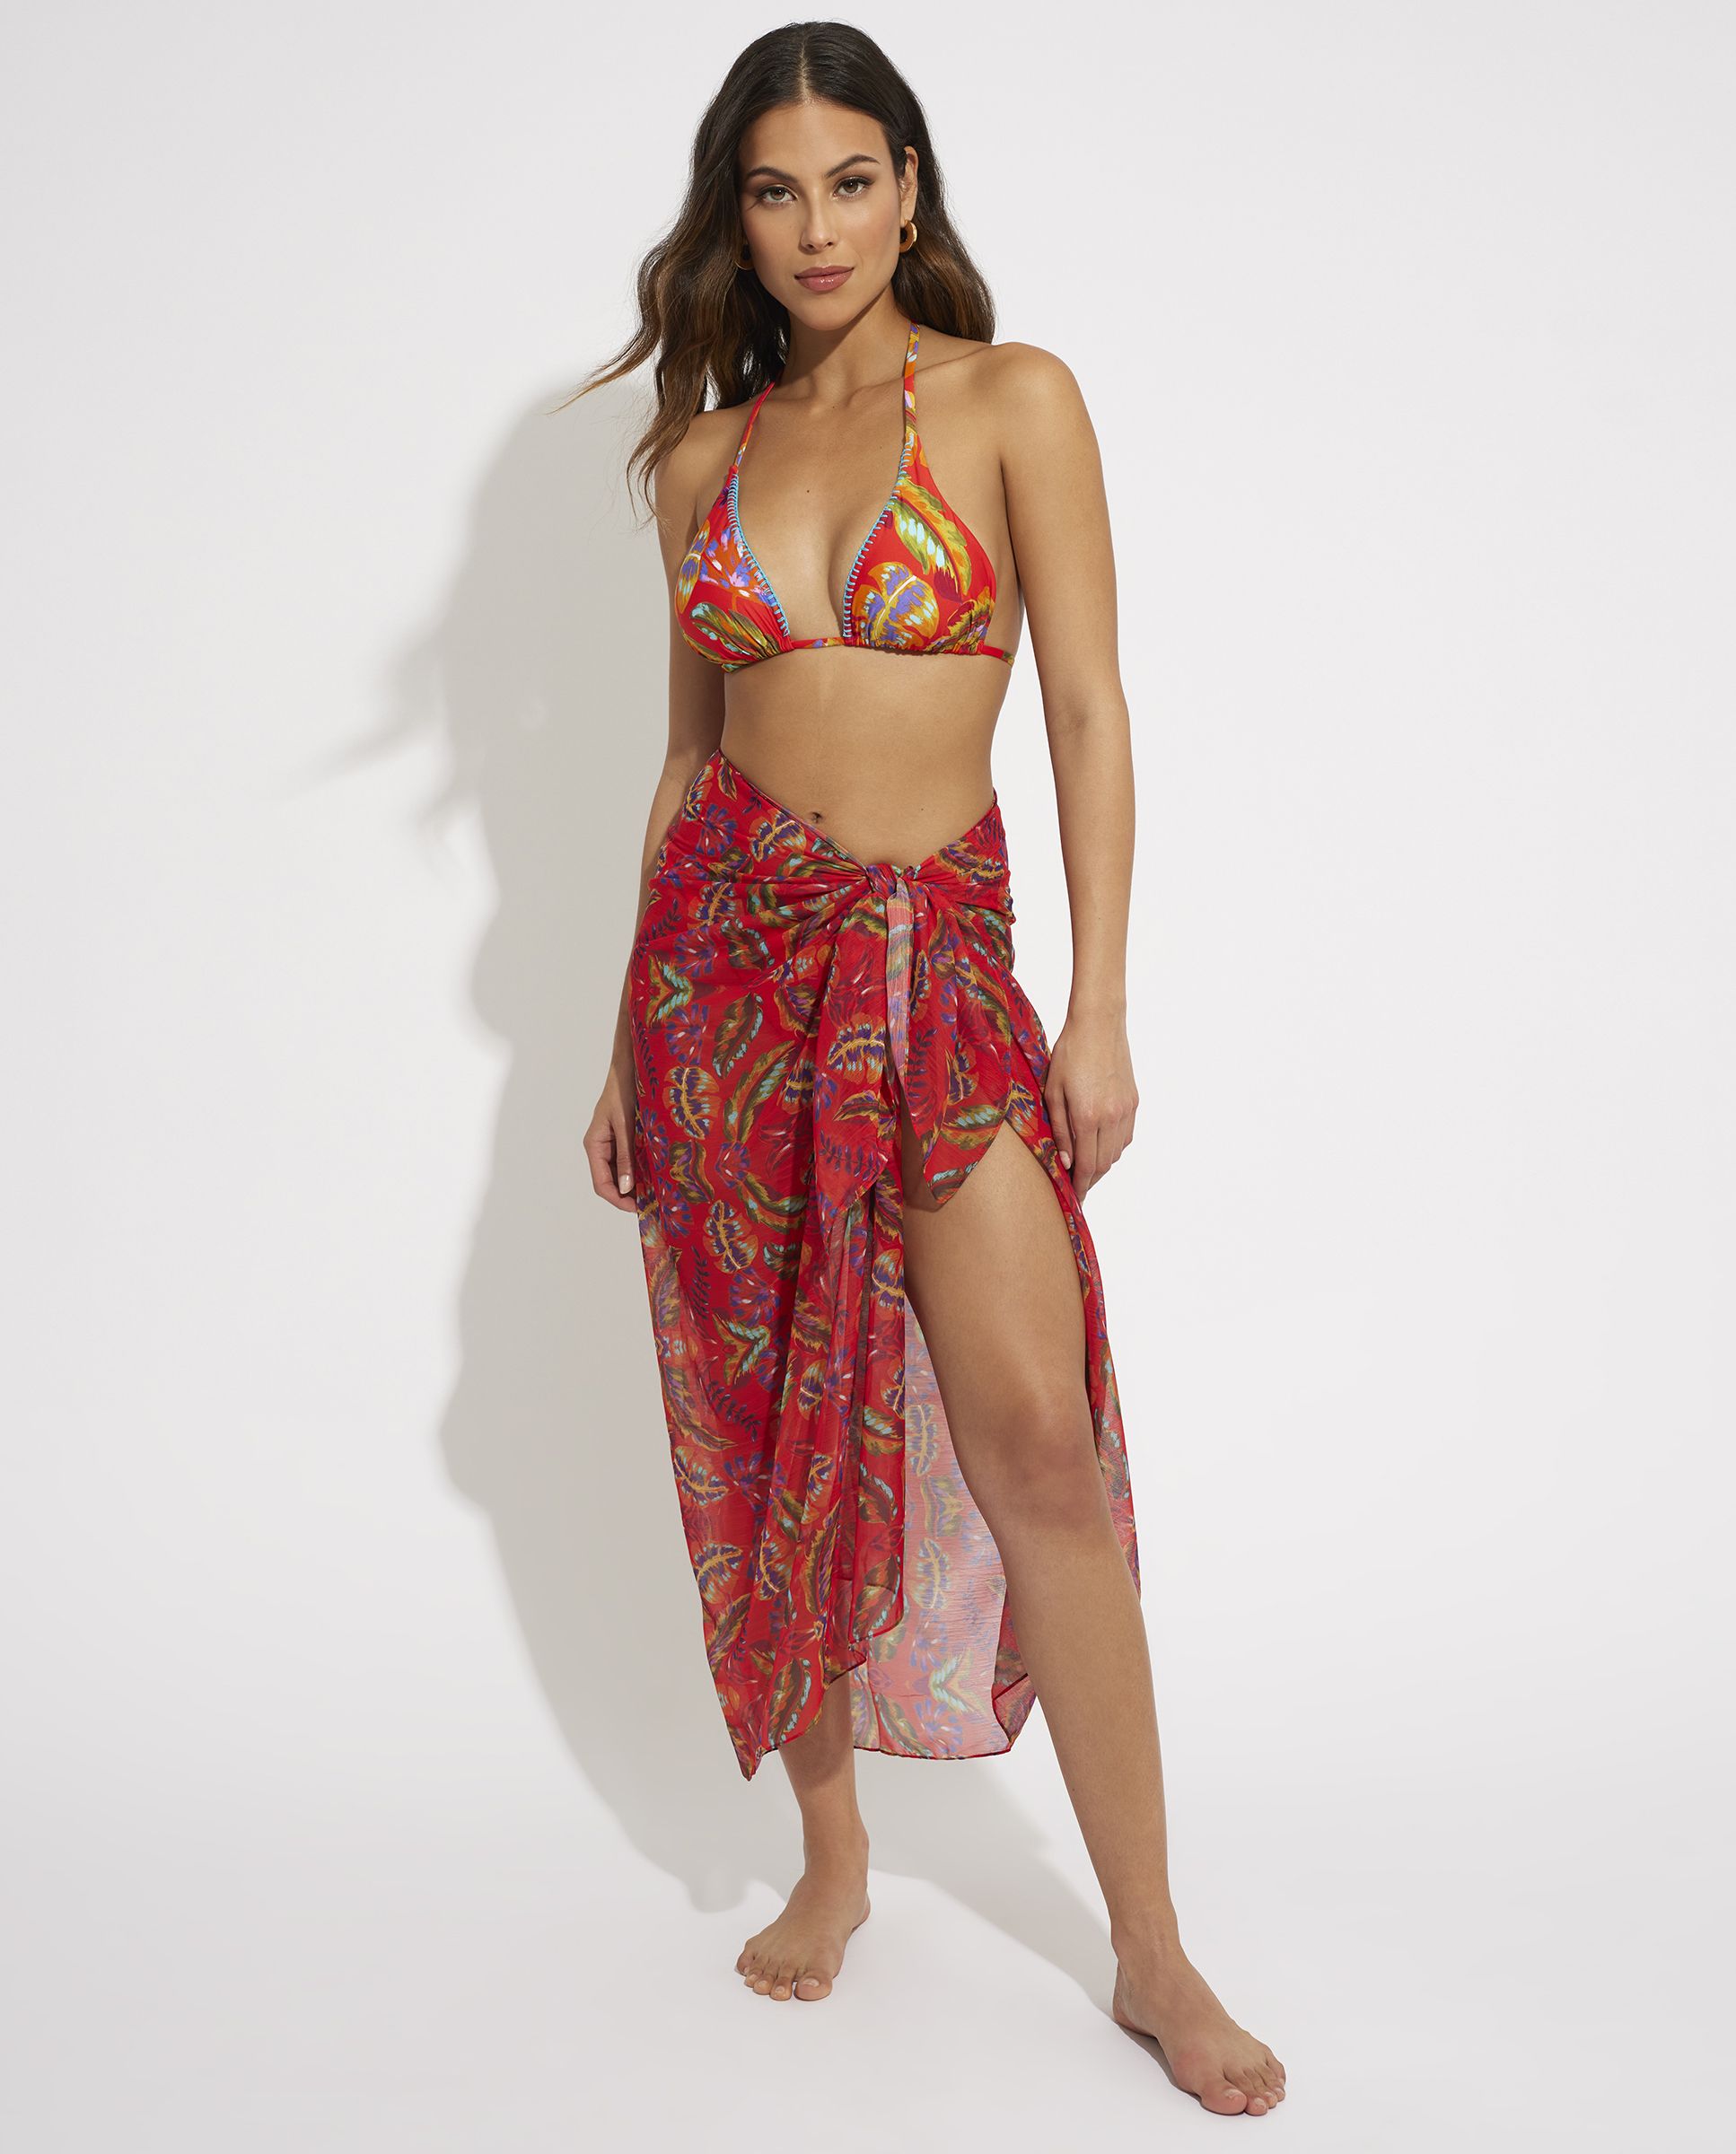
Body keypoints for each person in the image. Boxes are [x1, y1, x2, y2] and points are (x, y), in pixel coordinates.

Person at [578, 21, 1286, 2121]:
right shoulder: (701, 462)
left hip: (935, 978)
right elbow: (688, 765)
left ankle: (1150, 1949)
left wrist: (1100, 1002)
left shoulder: (1008, 401)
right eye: (772, 190)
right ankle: (833, 1862)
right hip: (724, 996)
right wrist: (626, 1036)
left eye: (850, 180)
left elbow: (1083, 707)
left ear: (909, 190)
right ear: (734, 217)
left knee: (1035, 1447)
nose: (814, 227)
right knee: (771, 1422)